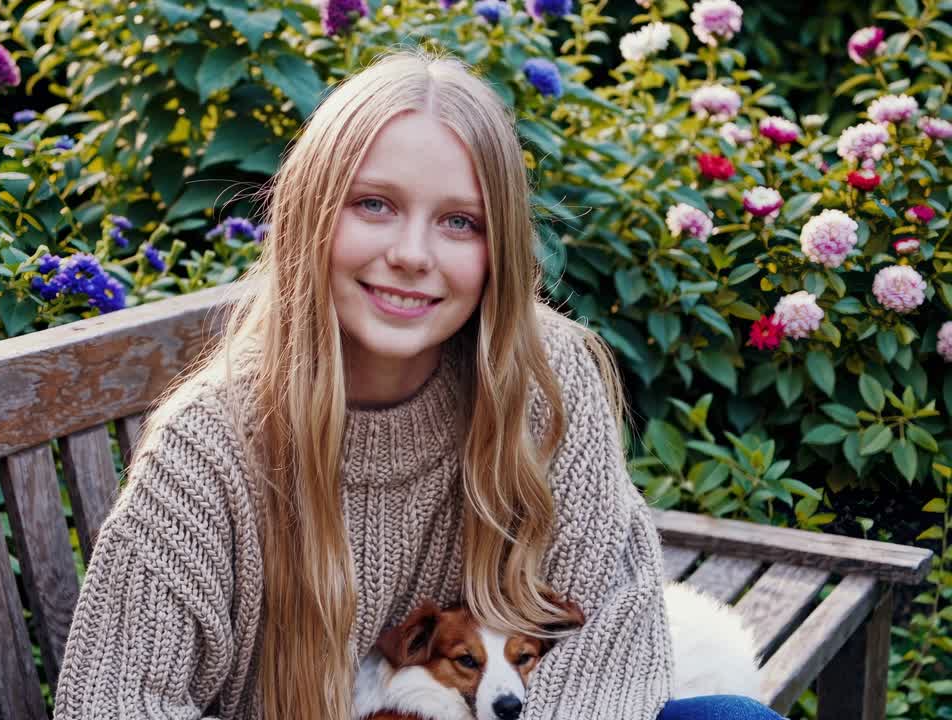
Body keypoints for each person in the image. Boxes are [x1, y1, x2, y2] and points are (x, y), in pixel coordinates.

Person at [52, 47, 785, 720]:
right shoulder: (210, 448)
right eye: (375, 204)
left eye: (460, 222)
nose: (411, 254)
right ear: (311, 215)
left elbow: (606, 636)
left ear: (500, 246)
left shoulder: (545, 381)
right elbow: (112, 702)